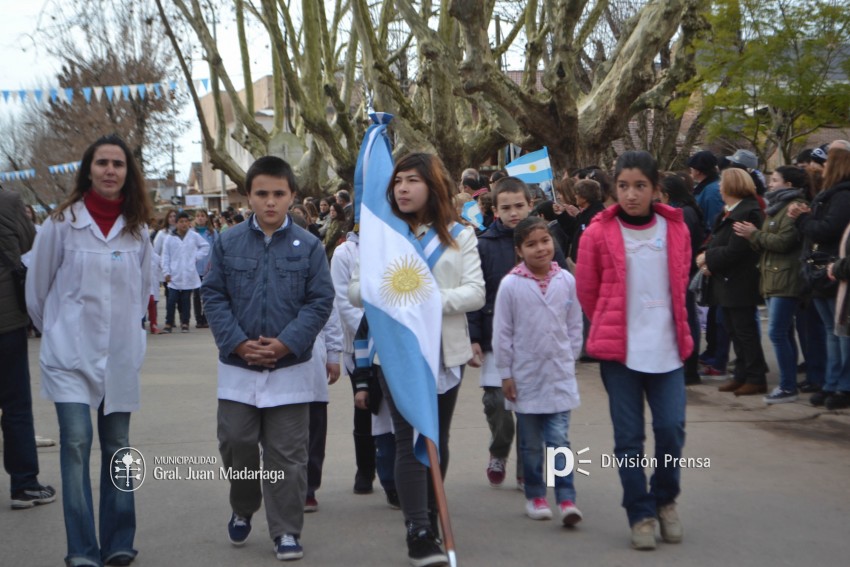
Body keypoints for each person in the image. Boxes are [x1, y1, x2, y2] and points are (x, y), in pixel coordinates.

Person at [349, 152, 485, 567]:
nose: (402, 188)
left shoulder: (460, 234)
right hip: (398, 352)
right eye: (397, 181)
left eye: (412, 180)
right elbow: (357, 291)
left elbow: (475, 292)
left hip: (446, 353)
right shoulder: (385, 236)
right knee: (411, 438)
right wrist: (390, 294)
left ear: (433, 185)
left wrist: (424, 301)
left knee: (435, 438)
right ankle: (419, 529)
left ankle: (429, 510)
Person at [26, 134, 153, 566]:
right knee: (77, 442)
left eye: (118, 163)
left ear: (128, 173)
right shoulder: (62, 223)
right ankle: (81, 549)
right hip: (68, 357)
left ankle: (119, 541)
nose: (110, 170)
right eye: (102, 163)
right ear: (88, 169)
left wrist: (130, 341)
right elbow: (37, 290)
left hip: (118, 357)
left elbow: (144, 290)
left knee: (118, 444)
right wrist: (59, 331)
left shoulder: (138, 229)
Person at [201, 155, 334, 561]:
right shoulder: (226, 242)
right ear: (248, 196)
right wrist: (238, 343)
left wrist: (286, 343)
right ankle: (243, 505)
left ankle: (286, 531)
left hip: (290, 369)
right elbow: (213, 295)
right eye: (262, 194)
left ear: (292, 195)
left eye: (279, 193)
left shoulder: (310, 246)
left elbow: (320, 301)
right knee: (236, 442)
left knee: (288, 456)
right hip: (238, 368)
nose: (270, 202)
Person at [576, 150, 693, 550]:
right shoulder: (596, 233)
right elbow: (587, 291)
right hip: (621, 355)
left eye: (640, 186)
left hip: (668, 351)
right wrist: (611, 323)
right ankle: (640, 512)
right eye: (623, 186)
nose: (631, 194)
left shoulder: (675, 228)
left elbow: (680, 281)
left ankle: (666, 501)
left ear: (655, 188)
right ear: (614, 189)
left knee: (671, 430)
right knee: (629, 439)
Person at [468, 177, 569, 491]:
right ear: (494, 210)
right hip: (495, 339)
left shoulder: (546, 240)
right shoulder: (483, 245)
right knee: (496, 403)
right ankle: (499, 450)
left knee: (532, 408)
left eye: (519, 206)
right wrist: (473, 336)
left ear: (530, 206)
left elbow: (564, 285)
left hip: (538, 342)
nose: (514, 213)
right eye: (506, 207)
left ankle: (530, 470)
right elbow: (476, 294)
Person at [493, 216, 584, 525]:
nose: (540, 249)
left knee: (560, 440)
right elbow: (502, 333)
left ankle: (567, 497)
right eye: (531, 244)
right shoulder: (510, 285)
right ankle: (535, 495)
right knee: (531, 444)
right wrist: (505, 373)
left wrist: (570, 357)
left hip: (559, 374)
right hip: (525, 377)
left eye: (545, 241)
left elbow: (574, 324)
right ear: (519, 250)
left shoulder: (566, 280)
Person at [733, 166, 810, 403]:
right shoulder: (775, 207)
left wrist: (754, 234)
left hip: (785, 278)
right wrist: (754, 237)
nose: (770, 183)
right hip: (772, 277)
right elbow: (768, 242)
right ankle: (788, 383)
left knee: (777, 332)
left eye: (775, 179)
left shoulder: (792, 208)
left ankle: (787, 386)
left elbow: (784, 242)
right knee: (783, 332)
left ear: (788, 184)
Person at [0, 189, 56, 511]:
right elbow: (30, 247)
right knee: (16, 406)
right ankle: (23, 484)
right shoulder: (9, 202)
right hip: (6, 323)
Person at [789, 140, 850, 409]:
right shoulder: (833, 193)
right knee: (831, 331)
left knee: (840, 332)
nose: (818, 167)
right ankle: (832, 383)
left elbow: (828, 228)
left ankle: (841, 386)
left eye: (824, 162)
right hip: (824, 269)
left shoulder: (843, 195)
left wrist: (803, 220)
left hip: (835, 270)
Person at [696, 169, 768, 396]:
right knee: (733, 329)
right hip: (726, 280)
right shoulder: (730, 211)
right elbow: (717, 240)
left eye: (722, 183)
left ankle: (755, 377)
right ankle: (741, 374)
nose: (719, 187)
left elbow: (737, 250)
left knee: (745, 331)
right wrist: (707, 256)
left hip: (740, 281)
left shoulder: (748, 212)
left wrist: (708, 258)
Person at [660, 174, 704, 385]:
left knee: (687, 319)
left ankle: (690, 367)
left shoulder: (684, 213)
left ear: (667, 195)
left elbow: (680, 245)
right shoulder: (685, 210)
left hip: (684, 272)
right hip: (683, 271)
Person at [161, 212, 210, 333]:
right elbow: (165, 256)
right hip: (174, 274)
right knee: (171, 300)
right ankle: (168, 322)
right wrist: (166, 272)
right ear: (176, 223)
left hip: (188, 273)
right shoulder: (169, 238)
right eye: (181, 222)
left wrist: (195, 257)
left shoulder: (193, 236)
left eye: (186, 221)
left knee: (186, 301)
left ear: (189, 223)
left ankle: (185, 322)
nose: (184, 224)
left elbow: (205, 246)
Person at [191, 209, 217, 329]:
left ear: (207, 218)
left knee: (207, 295)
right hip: (195, 268)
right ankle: (198, 319)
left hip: (209, 268)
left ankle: (206, 318)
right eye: (198, 216)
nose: (200, 218)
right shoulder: (191, 233)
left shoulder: (212, 233)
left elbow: (217, 250)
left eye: (202, 216)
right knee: (196, 295)